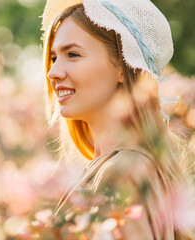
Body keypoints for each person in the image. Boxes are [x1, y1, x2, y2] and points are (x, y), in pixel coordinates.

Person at [39, 0, 195, 239]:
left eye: (72, 54)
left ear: (123, 67)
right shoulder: (122, 166)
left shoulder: (123, 172)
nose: (53, 72)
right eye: (53, 58)